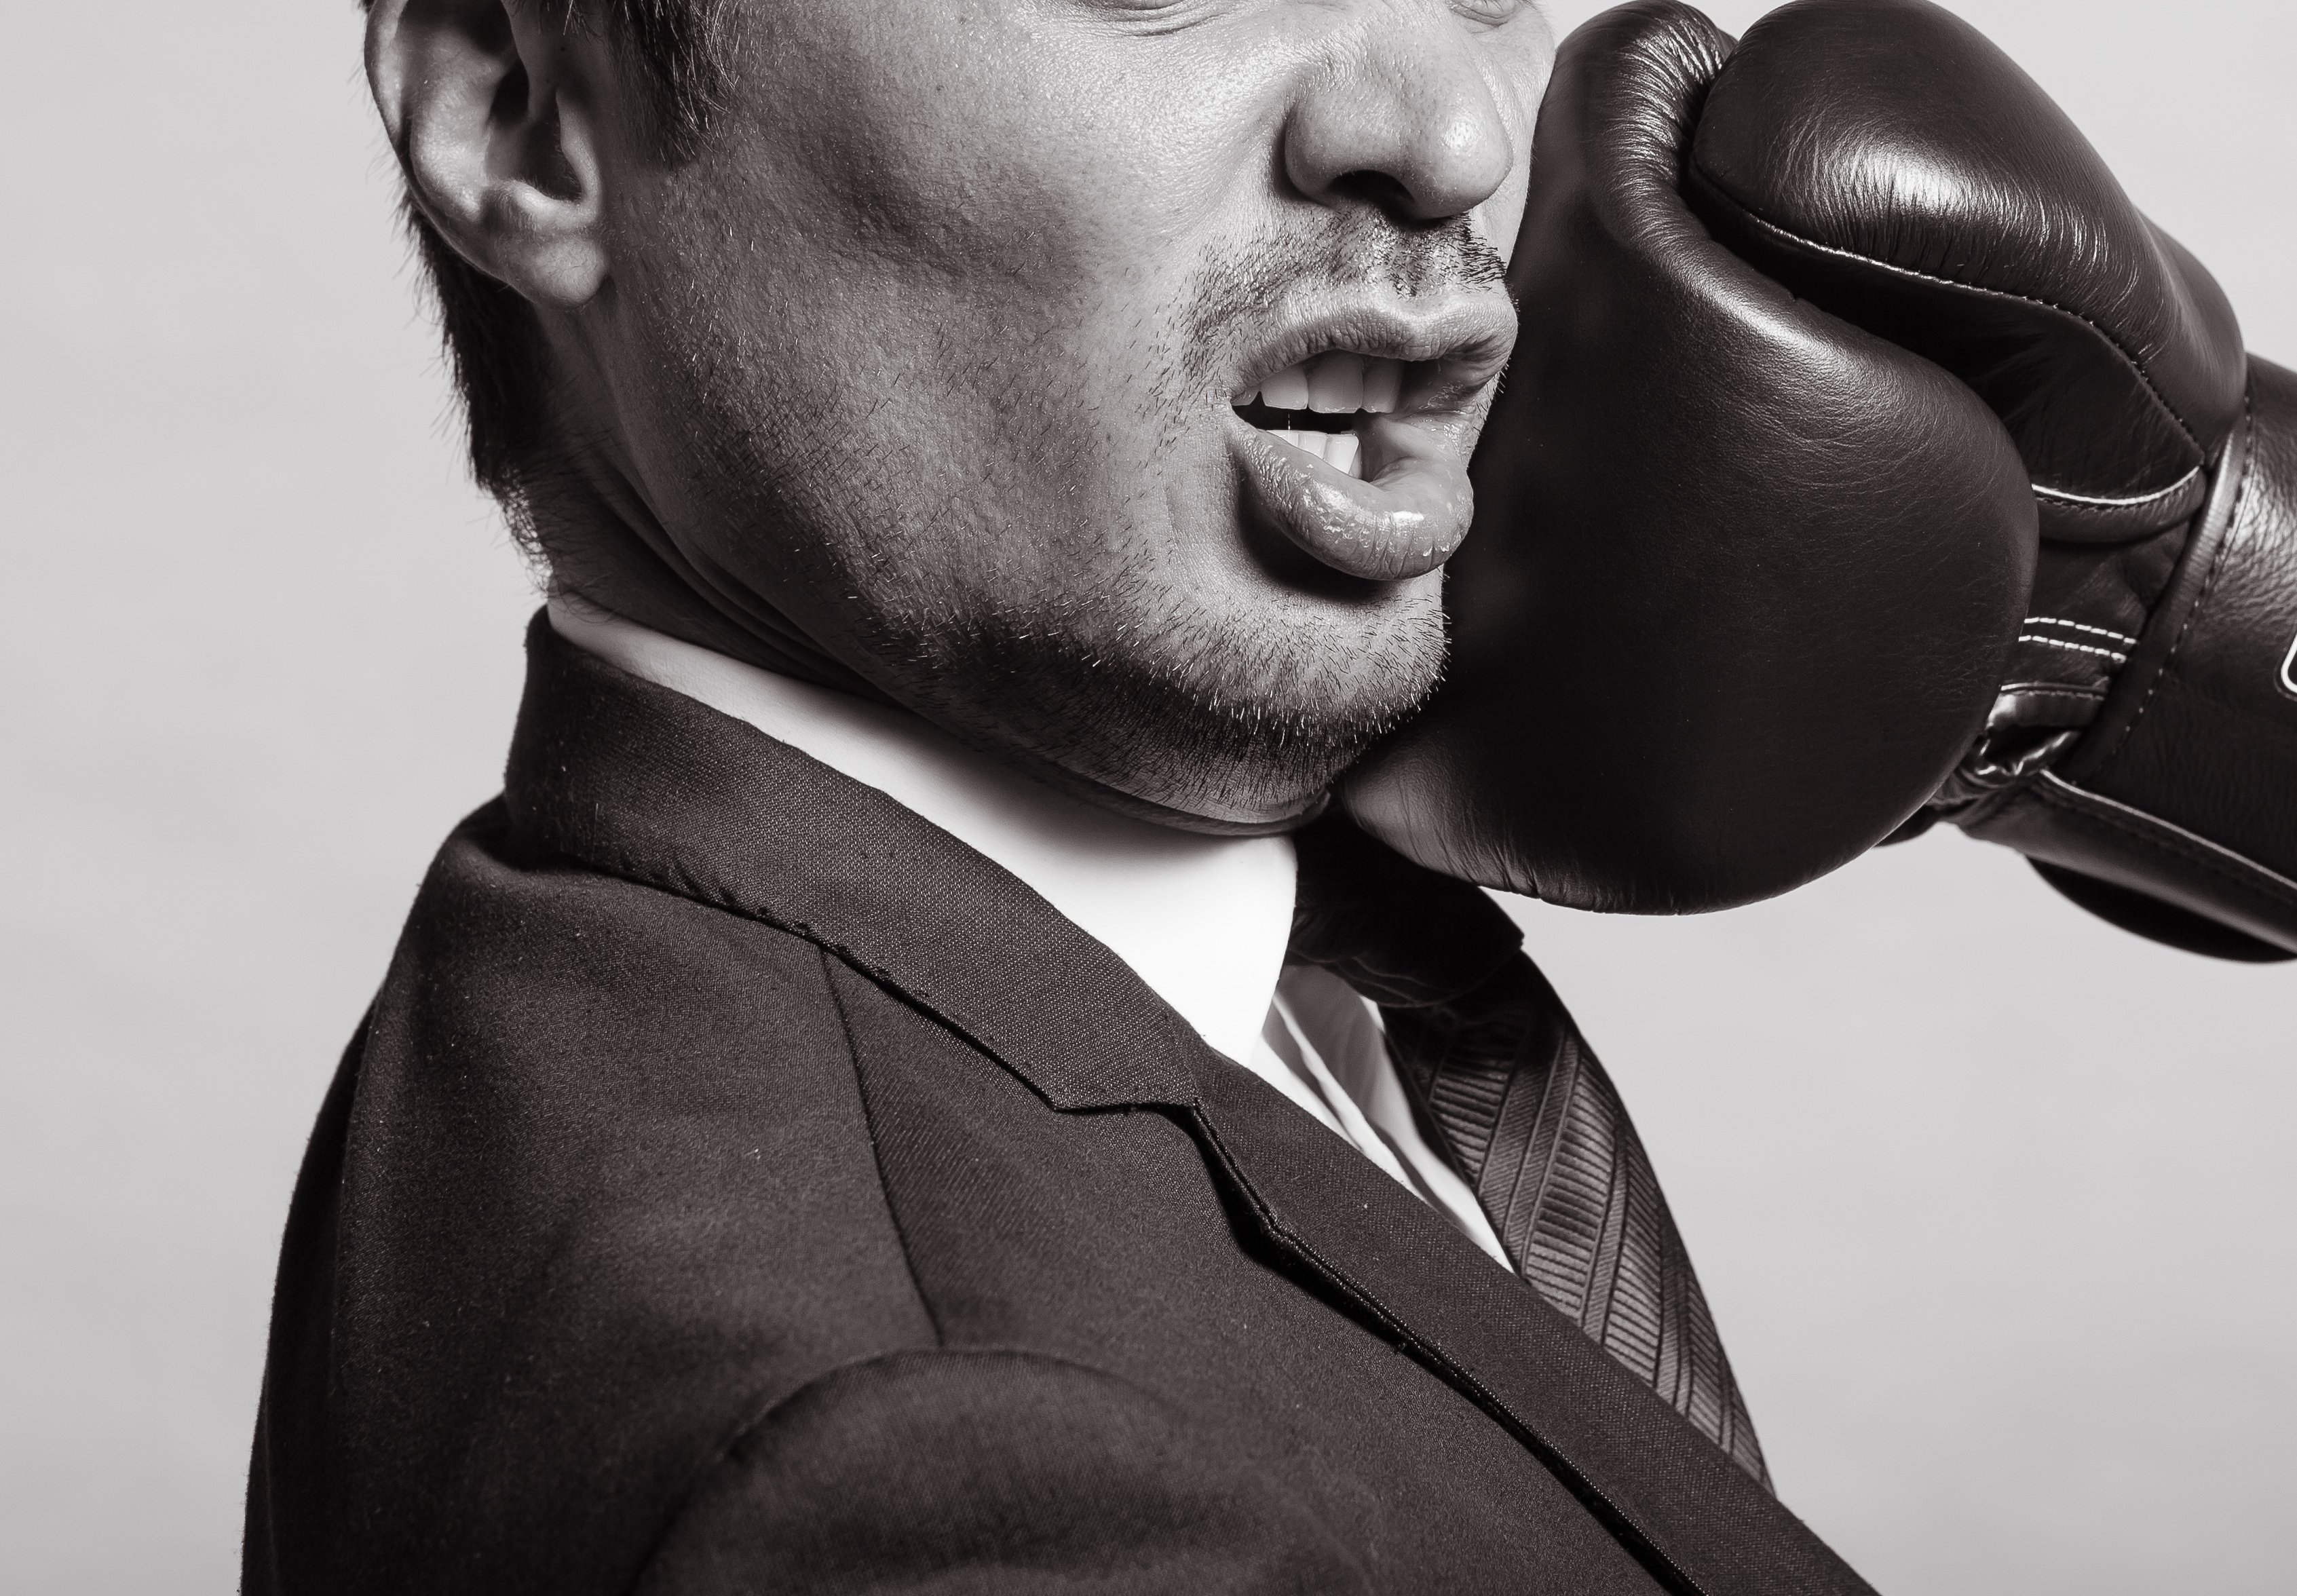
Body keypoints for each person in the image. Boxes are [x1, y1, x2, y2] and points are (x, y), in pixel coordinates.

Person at [246, 0, 2296, 1591]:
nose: (1450, 129)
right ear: (522, 114)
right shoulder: (939, 1483)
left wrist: (2144, 619)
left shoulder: (815, 984)